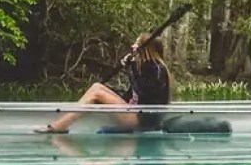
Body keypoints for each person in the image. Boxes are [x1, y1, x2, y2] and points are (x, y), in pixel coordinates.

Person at [35, 32, 172, 134]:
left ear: (144, 49)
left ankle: (58, 127)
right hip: (134, 113)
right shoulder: (144, 66)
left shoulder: (157, 69)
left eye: (136, 43)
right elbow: (132, 95)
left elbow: (143, 91)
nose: (132, 46)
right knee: (98, 87)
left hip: (142, 120)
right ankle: (63, 123)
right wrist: (112, 93)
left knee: (96, 92)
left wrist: (130, 69)